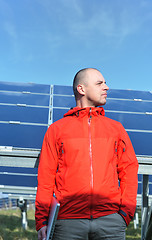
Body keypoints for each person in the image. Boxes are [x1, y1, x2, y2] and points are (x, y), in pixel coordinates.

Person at [35, 68, 139, 240]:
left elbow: (129, 169)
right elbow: (46, 176)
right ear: (81, 89)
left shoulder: (116, 129)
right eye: (99, 83)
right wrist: (42, 221)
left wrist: (125, 213)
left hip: (111, 222)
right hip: (67, 224)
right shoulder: (57, 130)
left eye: (105, 83)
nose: (106, 87)